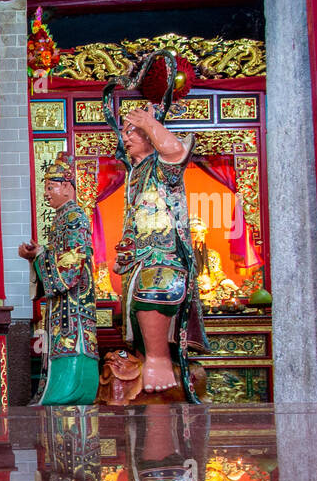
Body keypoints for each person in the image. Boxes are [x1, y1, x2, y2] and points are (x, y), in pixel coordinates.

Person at [109, 102, 207, 398]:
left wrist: (151, 123)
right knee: (132, 307)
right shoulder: (135, 173)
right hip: (139, 256)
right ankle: (145, 355)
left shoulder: (160, 164)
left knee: (154, 288)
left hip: (163, 253)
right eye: (124, 133)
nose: (125, 138)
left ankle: (160, 358)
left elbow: (176, 152)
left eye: (132, 132)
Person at [20, 152, 98, 405]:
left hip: (73, 301)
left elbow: (71, 264)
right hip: (65, 300)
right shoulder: (63, 217)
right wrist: (39, 254)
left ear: (67, 187)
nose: (46, 194)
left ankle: (69, 392)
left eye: (51, 187)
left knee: (72, 341)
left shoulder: (74, 217)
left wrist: (40, 256)